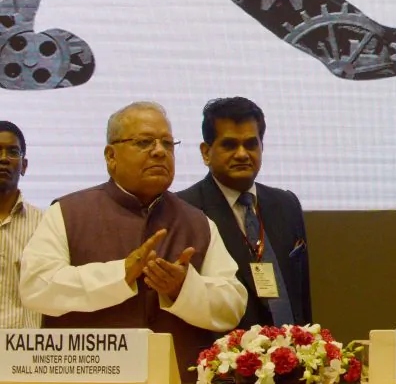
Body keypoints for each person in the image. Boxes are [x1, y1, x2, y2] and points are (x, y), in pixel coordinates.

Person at [19, 102, 247, 379]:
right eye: (144, 142)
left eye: (167, 143)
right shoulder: (67, 213)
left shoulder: (198, 222)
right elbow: (36, 287)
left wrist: (182, 289)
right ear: (110, 156)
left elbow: (232, 304)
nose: (160, 151)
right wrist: (120, 274)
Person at [177, 97, 311, 328]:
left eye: (251, 144)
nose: (242, 154)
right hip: (220, 358)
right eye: (229, 145)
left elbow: (301, 295)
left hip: (294, 355)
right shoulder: (184, 210)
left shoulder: (286, 204)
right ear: (206, 152)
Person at [0, 121, 41, 328]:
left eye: (13, 152)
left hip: (25, 354)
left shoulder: (44, 225)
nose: (4, 159)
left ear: (24, 166)